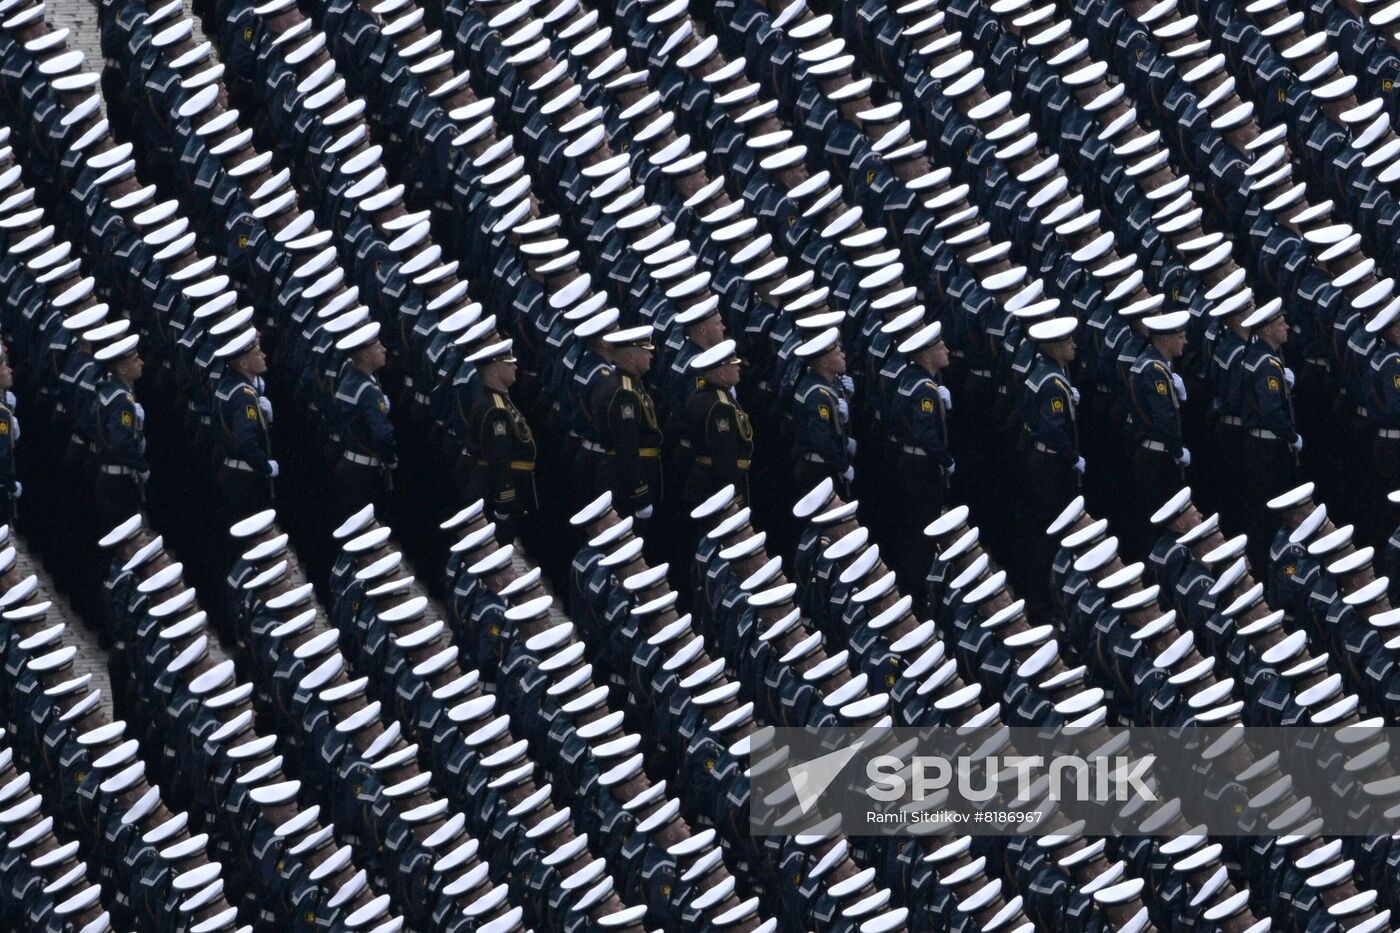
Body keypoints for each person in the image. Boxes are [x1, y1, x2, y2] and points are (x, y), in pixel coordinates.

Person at [1018, 316, 1082, 610]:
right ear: (1054, 347)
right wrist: (1072, 457)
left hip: (1037, 457)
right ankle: (1049, 602)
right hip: (1052, 464)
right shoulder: (1054, 383)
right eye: (1067, 341)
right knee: (1055, 533)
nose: (1073, 345)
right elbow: (1053, 428)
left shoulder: (1042, 372)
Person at [889, 320, 953, 584]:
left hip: (907, 459)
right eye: (941, 347)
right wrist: (945, 459)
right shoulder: (924, 389)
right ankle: (919, 588)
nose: (947, 350)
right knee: (922, 530)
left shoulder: (910, 377)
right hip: (921, 465)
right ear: (927, 356)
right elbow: (925, 432)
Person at [1240, 299, 1301, 557]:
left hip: (1257, 442)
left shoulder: (1256, 355)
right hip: (1268, 446)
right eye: (1279, 323)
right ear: (1266, 330)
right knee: (1272, 510)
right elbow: (1270, 410)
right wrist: (1291, 435)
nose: (1286, 326)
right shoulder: (1267, 364)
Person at [461, 338, 537, 543]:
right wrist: (505, 499)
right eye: (508, 363)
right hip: (498, 491)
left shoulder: (499, 398)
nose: (515, 366)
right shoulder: (495, 409)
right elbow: (499, 458)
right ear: (494, 372)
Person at [587, 324, 662, 527]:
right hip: (625, 482)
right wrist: (640, 493)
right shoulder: (624, 393)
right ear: (631, 358)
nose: (651, 357)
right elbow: (626, 447)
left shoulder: (627, 383)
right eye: (646, 353)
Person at [1127, 310, 1191, 530]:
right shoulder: (1155, 370)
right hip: (1158, 455)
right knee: (1166, 521)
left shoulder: (1150, 363)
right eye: (1181, 336)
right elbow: (1163, 416)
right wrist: (1177, 450)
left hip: (1152, 452)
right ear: (1166, 339)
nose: (1185, 341)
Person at [330, 321, 395, 522]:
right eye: (377, 347)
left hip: (348, 464)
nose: (384, 350)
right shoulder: (368, 391)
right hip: (365, 473)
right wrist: (390, 459)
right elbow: (383, 435)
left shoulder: (349, 380)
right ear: (366, 356)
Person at [679, 338, 753, 510]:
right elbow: (724, 455)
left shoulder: (701, 395)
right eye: (733, 364)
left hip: (703, 480)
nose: (738, 368)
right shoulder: (721, 406)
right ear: (721, 373)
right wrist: (732, 496)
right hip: (716, 486)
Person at [213, 327, 277, 523]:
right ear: (244, 363)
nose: (264, 355)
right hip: (245, 477)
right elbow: (246, 441)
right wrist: (265, 465)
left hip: (231, 472)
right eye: (257, 353)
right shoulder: (244, 395)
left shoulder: (227, 384)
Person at [93, 333, 148, 532]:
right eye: (135, 360)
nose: (141, 362)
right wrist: (141, 466)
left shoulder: (111, 390)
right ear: (123, 369)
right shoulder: (122, 400)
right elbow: (121, 441)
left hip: (109, 476)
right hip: (119, 480)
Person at [790, 327, 853, 497]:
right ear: (824, 363)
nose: (843, 356)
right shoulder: (818, 395)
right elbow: (821, 439)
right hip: (819, 469)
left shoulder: (818, 383)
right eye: (837, 353)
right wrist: (843, 466)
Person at [0, 346, 18, 523]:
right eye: (5, 367)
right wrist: (12, 485)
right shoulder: (2, 414)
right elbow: (3, 456)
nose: (9, 370)